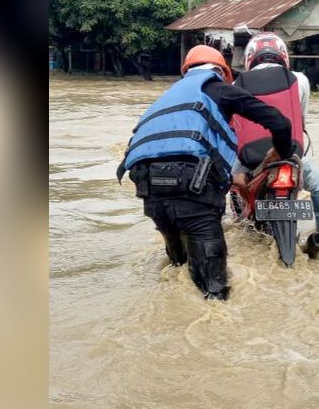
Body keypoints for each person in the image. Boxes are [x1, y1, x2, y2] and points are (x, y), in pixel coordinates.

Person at [116, 45, 293, 300]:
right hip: (191, 190)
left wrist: (230, 177)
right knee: (213, 292)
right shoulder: (218, 88)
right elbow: (280, 122)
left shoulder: (167, 97)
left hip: (148, 188)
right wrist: (281, 152)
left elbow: (173, 150)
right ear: (221, 71)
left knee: (178, 270)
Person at [229, 32, 319, 244]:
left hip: (251, 159)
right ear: (282, 55)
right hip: (288, 153)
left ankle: (241, 221)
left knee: (233, 182)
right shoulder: (299, 79)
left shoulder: (238, 83)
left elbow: (237, 126)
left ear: (250, 58)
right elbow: (301, 119)